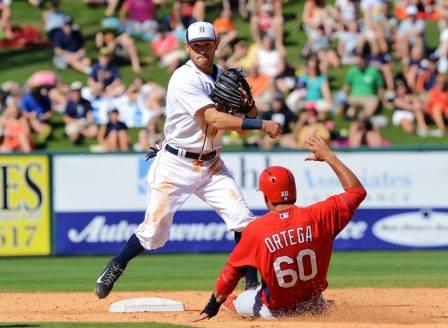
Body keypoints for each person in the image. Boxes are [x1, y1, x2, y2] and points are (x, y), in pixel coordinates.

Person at [94, 21, 282, 299]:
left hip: (212, 164)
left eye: (207, 44)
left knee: (244, 221)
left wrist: (249, 105)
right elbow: (213, 118)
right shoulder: (183, 78)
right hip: (175, 163)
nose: (202, 50)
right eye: (196, 46)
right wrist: (261, 125)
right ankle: (116, 265)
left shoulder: (223, 77)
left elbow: (249, 115)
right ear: (187, 48)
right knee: (154, 233)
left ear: (217, 45)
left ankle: (251, 286)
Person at [193, 135, 367, 321]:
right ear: (294, 191)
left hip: (276, 312)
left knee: (239, 300)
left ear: (266, 197)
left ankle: (234, 304)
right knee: (308, 296)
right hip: (312, 303)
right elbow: (357, 192)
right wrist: (329, 157)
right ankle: (318, 307)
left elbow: (231, 273)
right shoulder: (320, 215)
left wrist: (212, 306)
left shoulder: (256, 230)